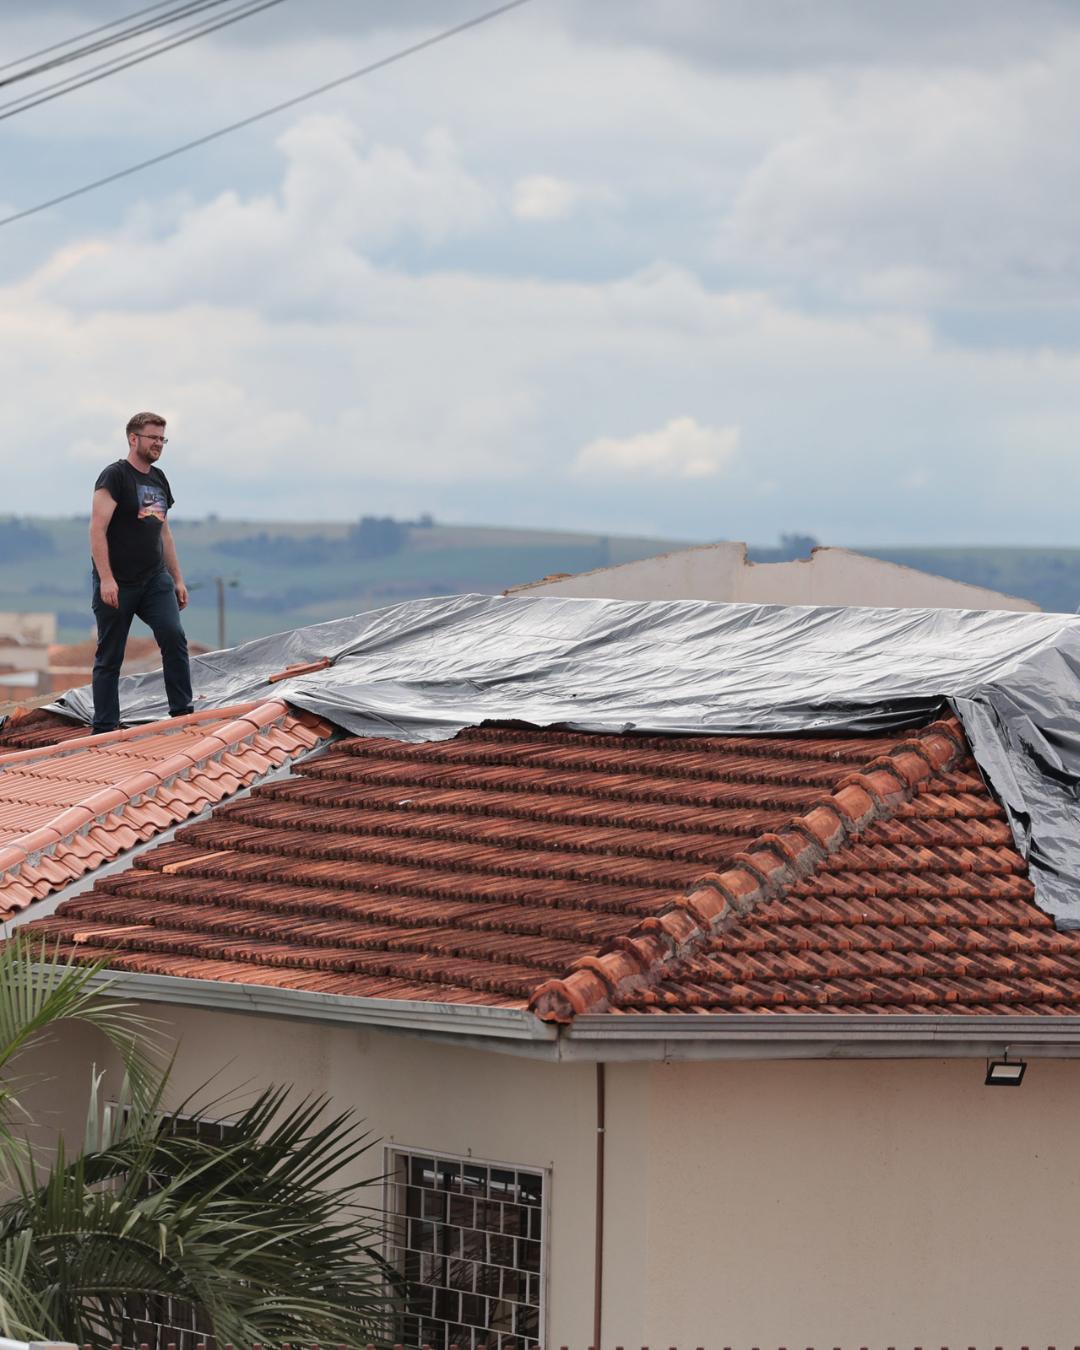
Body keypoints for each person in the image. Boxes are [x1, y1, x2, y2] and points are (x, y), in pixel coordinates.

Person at [89, 411, 193, 734]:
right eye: (153, 438)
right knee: (111, 655)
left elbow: (164, 534)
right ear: (134, 439)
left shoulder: (159, 479)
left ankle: (183, 713)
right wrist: (106, 578)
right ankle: (105, 727)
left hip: (154, 580)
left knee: (173, 636)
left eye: (162, 439)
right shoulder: (114, 477)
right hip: (117, 582)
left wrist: (177, 579)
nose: (159, 444)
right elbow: (97, 530)